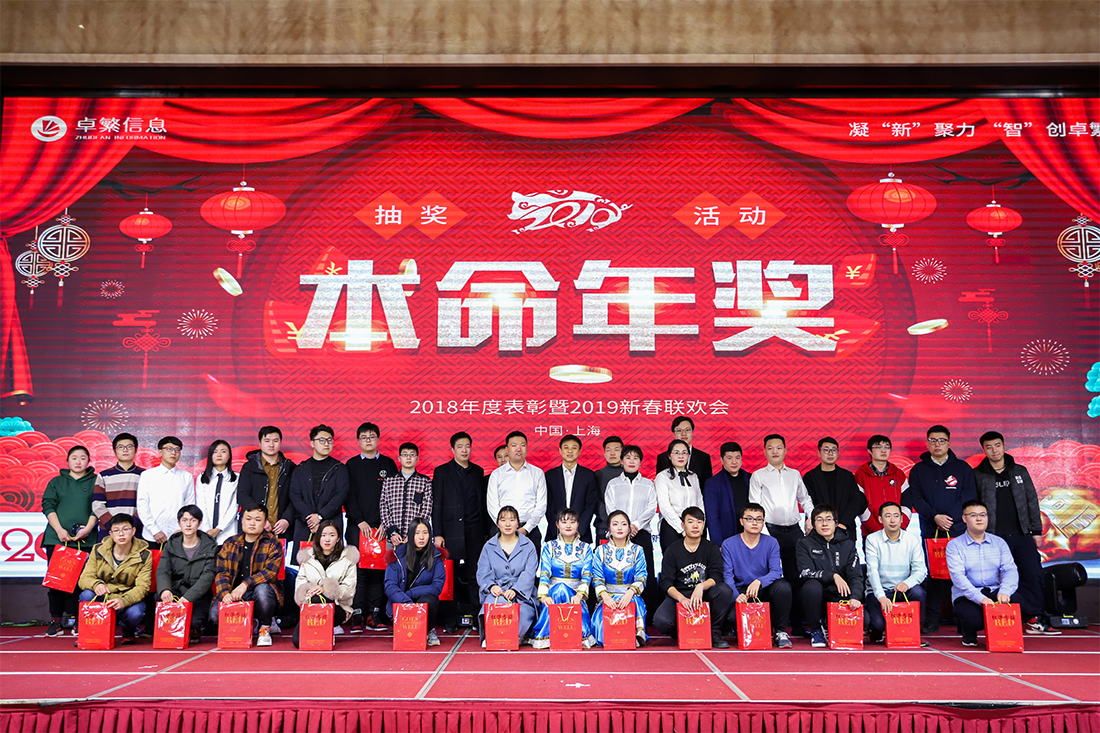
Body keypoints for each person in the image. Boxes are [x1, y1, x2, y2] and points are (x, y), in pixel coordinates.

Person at [973, 432, 1058, 635]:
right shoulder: (977, 475)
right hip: (992, 536)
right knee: (996, 578)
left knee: (1032, 573)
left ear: (1004, 446)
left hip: (1021, 533)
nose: (994, 450)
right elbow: (973, 506)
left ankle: (1035, 617)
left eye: (997, 445)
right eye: (989, 447)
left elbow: (1031, 500)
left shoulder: (1019, 471)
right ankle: (1002, 618)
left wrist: (1036, 530)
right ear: (983, 450)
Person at [908, 424, 976, 634]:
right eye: (933, 440)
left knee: (962, 575)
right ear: (927, 443)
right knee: (934, 576)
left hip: (958, 530)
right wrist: (935, 517)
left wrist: (950, 518)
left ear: (949, 442)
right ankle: (932, 620)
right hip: (932, 531)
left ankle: (965, 619)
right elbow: (916, 499)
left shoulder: (963, 468)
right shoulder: (918, 470)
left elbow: (968, 495)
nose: (937, 444)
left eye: (942, 440)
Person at [235, 426, 296, 631]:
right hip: (254, 530)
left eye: (275, 440)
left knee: (281, 574)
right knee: (252, 571)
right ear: (260, 442)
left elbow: (295, 497)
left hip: (282, 530)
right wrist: (261, 520)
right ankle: (254, 616)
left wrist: (286, 519)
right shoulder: (249, 467)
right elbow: (243, 496)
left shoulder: (289, 467)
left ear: (281, 442)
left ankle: (278, 617)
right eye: (267, 440)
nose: (271, 444)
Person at [946, 499, 1023, 647]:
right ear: (964, 519)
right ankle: (968, 631)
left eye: (983, 515)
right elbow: (958, 577)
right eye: (973, 515)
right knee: (974, 619)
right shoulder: (954, 545)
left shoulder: (999, 542)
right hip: (968, 594)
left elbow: (1010, 569)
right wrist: (980, 598)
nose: (979, 519)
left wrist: (1005, 591)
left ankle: (1002, 635)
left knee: (1017, 602)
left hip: (994, 590)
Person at [653, 506, 733, 648]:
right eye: (690, 522)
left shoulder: (711, 548)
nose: (695, 526)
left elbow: (717, 576)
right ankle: (682, 629)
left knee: (724, 591)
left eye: (699, 522)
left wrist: (701, 586)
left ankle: (713, 632)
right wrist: (681, 598)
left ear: (703, 525)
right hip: (680, 595)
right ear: (683, 525)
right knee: (661, 621)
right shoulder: (672, 550)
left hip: (704, 593)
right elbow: (666, 582)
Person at [344, 421, 397, 633]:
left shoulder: (388, 464)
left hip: (381, 529)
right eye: (364, 437)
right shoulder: (351, 465)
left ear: (378, 439)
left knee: (378, 571)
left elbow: (393, 496)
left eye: (372, 436)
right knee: (358, 571)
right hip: (358, 527)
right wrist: (359, 520)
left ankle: (375, 614)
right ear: (358, 441)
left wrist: (386, 522)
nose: (368, 440)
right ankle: (356, 614)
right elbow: (348, 495)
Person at [431, 431, 486, 632]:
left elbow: (481, 503)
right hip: (450, 531)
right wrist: (438, 533)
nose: (464, 450)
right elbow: (437, 504)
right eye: (460, 446)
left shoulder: (478, 471)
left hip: (474, 530)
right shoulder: (442, 472)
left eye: (467, 446)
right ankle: (450, 620)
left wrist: (485, 532)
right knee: (449, 576)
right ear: (452, 449)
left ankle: (477, 617)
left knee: (474, 574)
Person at [748, 434, 813, 602]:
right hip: (770, 531)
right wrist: (764, 535)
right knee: (771, 574)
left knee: (797, 574)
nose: (775, 451)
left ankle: (797, 615)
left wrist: (811, 517)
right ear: (764, 451)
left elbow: (805, 499)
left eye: (778, 448)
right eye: (770, 448)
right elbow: (755, 507)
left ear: (785, 450)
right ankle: (773, 614)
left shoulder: (794, 474)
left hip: (794, 531)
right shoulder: (758, 476)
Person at [42, 445, 98, 637]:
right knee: (57, 582)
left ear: (89, 461)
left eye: (83, 458)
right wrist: (59, 530)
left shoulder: (96, 481)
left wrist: (87, 529)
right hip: (58, 539)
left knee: (82, 582)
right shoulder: (56, 481)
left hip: (86, 540)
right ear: (67, 461)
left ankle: (78, 621)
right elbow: (48, 505)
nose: (78, 461)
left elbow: (98, 507)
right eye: (74, 458)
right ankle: (56, 622)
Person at [720, 502, 793, 648]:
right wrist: (736, 596)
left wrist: (759, 582)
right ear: (741, 521)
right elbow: (727, 575)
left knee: (783, 587)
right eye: (750, 519)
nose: (754, 523)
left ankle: (780, 631)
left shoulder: (771, 542)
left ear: (763, 522)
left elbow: (776, 571)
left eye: (759, 519)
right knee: (732, 619)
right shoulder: (729, 544)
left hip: (763, 589)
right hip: (741, 592)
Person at [211, 504, 284, 647]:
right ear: (242, 520)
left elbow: (270, 572)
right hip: (234, 593)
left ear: (265, 522)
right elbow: (221, 572)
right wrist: (225, 593)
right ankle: (251, 623)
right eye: (248, 518)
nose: (252, 523)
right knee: (215, 616)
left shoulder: (272, 543)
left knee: (263, 590)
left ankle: (265, 627)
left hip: (258, 593)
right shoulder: (230, 543)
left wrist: (245, 584)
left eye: (258, 519)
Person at [77, 513, 153, 643]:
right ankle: (92, 633)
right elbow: (85, 578)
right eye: (116, 530)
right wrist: (97, 585)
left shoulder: (145, 555)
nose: (121, 534)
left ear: (133, 531)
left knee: (136, 613)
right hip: (104, 595)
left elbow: (143, 587)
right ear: (111, 534)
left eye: (125, 529)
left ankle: (128, 630)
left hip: (126, 598)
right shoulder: (98, 549)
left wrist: (124, 600)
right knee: (87, 595)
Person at [797, 504, 863, 648]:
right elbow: (805, 572)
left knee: (867, 621)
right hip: (816, 596)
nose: (824, 523)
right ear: (813, 524)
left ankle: (828, 623)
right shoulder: (804, 543)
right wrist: (833, 576)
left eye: (828, 519)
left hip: (840, 594)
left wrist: (855, 597)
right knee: (811, 586)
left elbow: (855, 575)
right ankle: (815, 630)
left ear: (836, 523)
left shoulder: (848, 545)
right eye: (819, 520)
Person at [603, 445, 658, 611]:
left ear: (640, 462)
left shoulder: (648, 484)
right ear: (621, 461)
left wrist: (635, 525)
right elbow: (611, 508)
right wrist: (624, 526)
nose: (632, 461)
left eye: (636, 458)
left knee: (645, 574)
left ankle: (647, 614)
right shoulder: (613, 484)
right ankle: (616, 609)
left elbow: (651, 507)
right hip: (618, 536)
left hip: (641, 534)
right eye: (628, 457)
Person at [531, 509, 594, 649]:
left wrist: (580, 595)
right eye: (564, 522)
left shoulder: (586, 548)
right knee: (559, 589)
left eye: (572, 522)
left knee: (563, 590)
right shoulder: (549, 546)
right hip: (552, 593)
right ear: (557, 525)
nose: (568, 525)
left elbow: (587, 574)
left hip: (576, 595)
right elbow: (545, 573)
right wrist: (543, 596)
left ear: (578, 524)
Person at [864, 501, 927, 644]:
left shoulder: (912, 540)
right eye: (888, 516)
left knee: (918, 592)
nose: (892, 520)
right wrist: (881, 596)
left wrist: (907, 583)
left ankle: (913, 631)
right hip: (879, 592)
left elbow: (920, 570)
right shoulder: (872, 539)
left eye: (896, 516)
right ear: (880, 519)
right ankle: (876, 630)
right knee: (878, 625)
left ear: (902, 518)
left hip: (902, 590)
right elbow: (872, 571)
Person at [477, 505, 539, 646]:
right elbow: (482, 571)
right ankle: (493, 635)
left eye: (512, 519)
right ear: (497, 523)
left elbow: (530, 573)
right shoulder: (489, 546)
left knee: (521, 612)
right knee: (495, 605)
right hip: (498, 590)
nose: (508, 524)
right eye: (503, 520)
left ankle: (516, 635)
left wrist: (516, 590)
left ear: (518, 523)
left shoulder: (528, 545)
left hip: (522, 593)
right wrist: (491, 586)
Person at [156, 505, 218, 643]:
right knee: (160, 603)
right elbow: (163, 570)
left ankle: (195, 628)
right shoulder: (171, 544)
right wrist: (165, 590)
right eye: (184, 520)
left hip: (198, 595)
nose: (188, 524)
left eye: (193, 520)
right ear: (179, 523)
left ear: (199, 523)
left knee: (194, 622)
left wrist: (189, 597)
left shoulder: (210, 546)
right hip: (175, 591)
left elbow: (208, 576)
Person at [293, 519, 359, 648]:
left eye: (332, 535)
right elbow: (299, 585)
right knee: (298, 642)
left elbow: (349, 590)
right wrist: (310, 591)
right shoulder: (307, 558)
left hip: (338, 607)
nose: (327, 539)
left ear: (338, 538)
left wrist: (326, 590)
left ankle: (327, 630)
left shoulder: (348, 559)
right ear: (318, 537)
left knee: (320, 597)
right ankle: (321, 631)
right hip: (311, 606)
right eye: (323, 535)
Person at [384, 517, 447, 646]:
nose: (421, 537)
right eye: (417, 533)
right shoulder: (397, 555)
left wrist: (411, 594)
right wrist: (406, 601)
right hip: (401, 602)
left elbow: (437, 586)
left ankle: (429, 630)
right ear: (410, 535)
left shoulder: (436, 557)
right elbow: (390, 585)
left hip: (421, 600)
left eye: (425, 533)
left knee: (429, 599)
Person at [591, 510, 648, 647]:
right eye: (615, 524)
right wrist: (605, 597)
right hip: (607, 596)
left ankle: (635, 635)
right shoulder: (600, 550)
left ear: (629, 528)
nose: (620, 528)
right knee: (603, 630)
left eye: (624, 524)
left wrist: (629, 593)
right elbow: (597, 577)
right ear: (609, 528)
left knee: (634, 603)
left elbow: (641, 577)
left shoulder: (638, 550)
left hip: (630, 596)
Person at [486, 431, 547, 553]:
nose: (519, 449)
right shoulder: (497, 474)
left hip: (530, 531)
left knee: (530, 564)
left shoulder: (537, 473)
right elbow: (492, 504)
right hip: (501, 532)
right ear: (507, 449)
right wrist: (506, 526)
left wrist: (526, 528)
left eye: (522, 445)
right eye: (514, 445)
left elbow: (541, 505)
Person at [289, 424, 349, 546]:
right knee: (305, 557)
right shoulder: (301, 468)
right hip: (305, 524)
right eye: (322, 440)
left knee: (331, 556)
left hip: (331, 525)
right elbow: (295, 495)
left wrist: (321, 516)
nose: (326, 444)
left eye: (329, 440)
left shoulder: (339, 469)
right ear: (312, 443)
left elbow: (341, 495)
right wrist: (310, 519)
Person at [136, 436, 195, 548]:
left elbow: (189, 506)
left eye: (177, 449)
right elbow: (142, 505)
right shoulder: (147, 475)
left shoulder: (186, 477)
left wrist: (182, 529)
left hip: (178, 535)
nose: (173, 452)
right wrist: (155, 530)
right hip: (151, 535)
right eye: (169, 449)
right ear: (160, 452)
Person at [802, 437, 866, 540]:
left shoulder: (847, 476)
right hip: (820, 531)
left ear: (838, 453)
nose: (830, 453)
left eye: (834, 450)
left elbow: (856, 501)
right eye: (826, 450)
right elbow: (808, 502)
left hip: (845, 529)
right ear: (819, 453)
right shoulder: (810, 477)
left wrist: (843, 523)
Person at [854, 434, 913, 540]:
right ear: (869, 451)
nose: (883, 450)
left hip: (898, 533)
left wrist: (900, 528)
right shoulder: (861, 475)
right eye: (878, 447)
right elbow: (860, 506)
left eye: (887, 447)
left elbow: (907, 504)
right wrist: (876, 530)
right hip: (871, 534)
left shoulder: (898, 474)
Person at [545, 434, 598, 543]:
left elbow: (590, 505)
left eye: (574, 448)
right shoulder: (550, 475)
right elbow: (548, 505)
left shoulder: (589, 475)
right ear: (560, 450)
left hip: (582, 535)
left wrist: (579, 529)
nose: (570, 451)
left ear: (579, 451)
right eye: (566, 447)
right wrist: (558, 529)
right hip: (555, 534)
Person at [92, 433, 144, 540]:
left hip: (136, 530)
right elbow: (97, 504)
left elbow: (148, 504)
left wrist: (131, 524)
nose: (125, 450)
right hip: (109, 531)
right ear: (114, 450)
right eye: (120, 447)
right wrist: (113, 525)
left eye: (129, 446)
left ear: (136, 450)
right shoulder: (104, 475)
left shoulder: (145, 475)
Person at [380, 442, 433, 547]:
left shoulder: (424, 481)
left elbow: (426, 510)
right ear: (399, 458)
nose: (408, 458)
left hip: (416, 539)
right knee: (392, 558)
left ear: (417, 458)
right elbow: (384, 507)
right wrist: (392, 532)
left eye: (412, 455)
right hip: (392, 539)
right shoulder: (389, 480)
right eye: (405, 455)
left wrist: (415, 532)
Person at [655, 439, 704, 550]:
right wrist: (682, 528)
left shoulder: (693, 476)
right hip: (671, 526)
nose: (681, 456)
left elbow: (700, 502)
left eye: (684, 452)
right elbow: (664, 506)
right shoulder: (662, 477)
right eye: (676, 453)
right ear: (669, 456)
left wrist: (700, 523)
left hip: (693, 526)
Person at [704, 442, 751, 546]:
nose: (734, 462)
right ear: (722, 460)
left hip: (750, 535)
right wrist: (718, 543)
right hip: (727, 537)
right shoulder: (713, 483)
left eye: (737, 457)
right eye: (729, 458)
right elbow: (712, 516)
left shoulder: (750, 478)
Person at [196, 440, 239, 547]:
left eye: (223, 451)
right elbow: (201, 505)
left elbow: (234, 506)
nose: (219, 455)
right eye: (215, 452)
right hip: (205, 533)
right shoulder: (202, 478)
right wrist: (207, 530)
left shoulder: (237, 478)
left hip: (228, 533)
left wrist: (219, 529)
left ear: (229, 456)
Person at [656, 416, 713, 483]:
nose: (684, 434)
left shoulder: (703, 458)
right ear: (674, 433)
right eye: (679, 430)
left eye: (687, 430)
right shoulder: (663, 458)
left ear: (692, 432)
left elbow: (707, 484)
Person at [592, 435, 625, 541]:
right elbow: (595, 501)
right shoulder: (597, 475)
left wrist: (624, 521)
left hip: (628, 527)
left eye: (616, 450)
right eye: (608, 450)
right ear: (604, 453)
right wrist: (613, 520)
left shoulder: (629, 473)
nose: (612, 453)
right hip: (604, 527)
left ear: (623, 452)